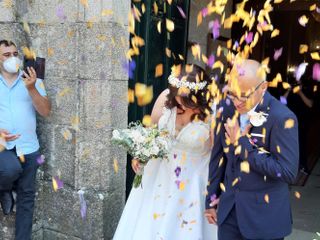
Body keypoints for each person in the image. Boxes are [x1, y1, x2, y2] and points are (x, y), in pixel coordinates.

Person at [113, 64, 218, 239]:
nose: (179, 103)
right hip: (160, 174)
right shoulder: (166, 98)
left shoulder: (213, 113)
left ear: (199, 96)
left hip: (193, 181)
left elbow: (218, 154)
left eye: (186, 99)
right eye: (178, 97)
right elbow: (151, 131)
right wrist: (140, 154)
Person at [205, 59, 299, 240]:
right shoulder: (225, 109)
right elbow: (218, 158)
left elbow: (287, 172)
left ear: (263, 87)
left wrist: (242, 145)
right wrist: (211, 199)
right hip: (229, 213)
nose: (237, 101)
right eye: (233, 93)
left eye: (244, 95)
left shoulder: (282, 118)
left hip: (264, 220)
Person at [0, 39, 51, 240]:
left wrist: (31, 88)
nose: (12, 58)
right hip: (3, 147)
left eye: (14, 54)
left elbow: (46, 111)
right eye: (6, 55)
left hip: (29, 148)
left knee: (27, 197)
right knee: (10, 170)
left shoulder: (33, 80)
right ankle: (4, 190)